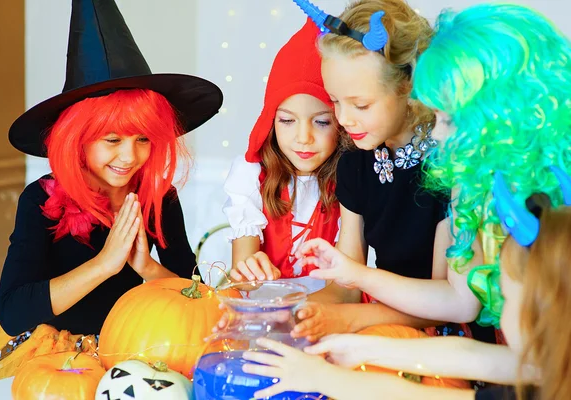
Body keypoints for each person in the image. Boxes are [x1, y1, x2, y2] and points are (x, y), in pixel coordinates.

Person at [0, 0, 222, 385]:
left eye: (143, 139)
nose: (130, 156)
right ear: (78, 139)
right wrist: (105, 263)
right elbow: (14, 312)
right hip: (53, 359)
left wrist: (146, 268)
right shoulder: (39, 200)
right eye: (112, 139)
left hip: (132, 351)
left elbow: (197, 299)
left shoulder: (159, 198)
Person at [241, 166, 571, 400]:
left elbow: (412, 396)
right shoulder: (546, 365)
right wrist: (363, 348)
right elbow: (470, 355)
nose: (501, 308)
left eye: (507, 298)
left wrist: (322, 377)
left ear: (546, 309)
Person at [288, 0, 494, 345]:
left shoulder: (452, 166)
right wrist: (294, 312)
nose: (343, 118)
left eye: (361, 105)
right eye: (335, 101)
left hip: (452, 341)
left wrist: (351, 316)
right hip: (380, 324)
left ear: (407, 87)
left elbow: (449, 304)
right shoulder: (354, 163)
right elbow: (346, 288)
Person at [222, 19, 352, 298]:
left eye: (321, 122)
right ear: (270, 121)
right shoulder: (251, 174)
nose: (303, 137)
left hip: (330, 310)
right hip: (265, 311)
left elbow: (346, 288)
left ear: (341, 122)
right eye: (287, 120)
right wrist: (251, 270)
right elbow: (242, 279)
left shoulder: (351, 177)